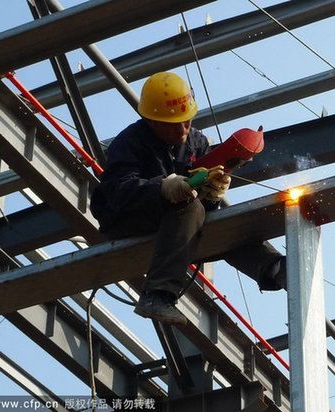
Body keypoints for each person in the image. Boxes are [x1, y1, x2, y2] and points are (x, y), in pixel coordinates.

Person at [90, 72, 286, 324]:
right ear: (151, 121)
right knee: (190, 209)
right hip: (127, 220)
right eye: (174, 124)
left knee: (221, 220)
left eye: (187, 121)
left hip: (179, 225)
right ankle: (157, 295)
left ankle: (275, 268)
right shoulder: (130, 142)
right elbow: (117, 193)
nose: (183, 130)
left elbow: (204, 205)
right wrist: (161, 187)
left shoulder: (196, 142)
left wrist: (212, 193)